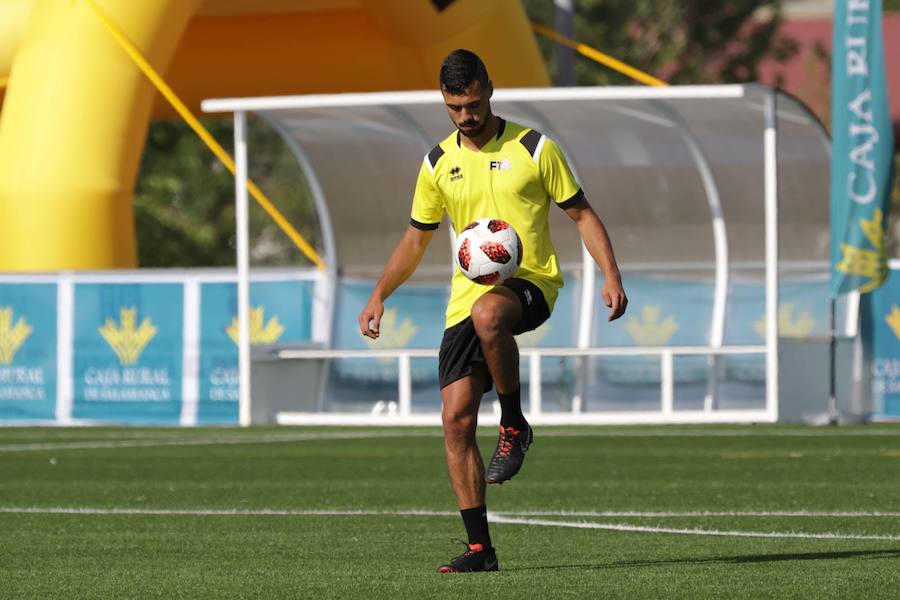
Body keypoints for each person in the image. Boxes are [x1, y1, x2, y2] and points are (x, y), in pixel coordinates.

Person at [358, 49, 627, 573]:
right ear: (445, 102)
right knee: (455, 420)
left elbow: (582, 215)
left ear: (490, 89)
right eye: (455, 107)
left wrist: (611, 275)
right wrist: (378, 294)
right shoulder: (438, 163)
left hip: (530, 284)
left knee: (489, 316)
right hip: (467, 298)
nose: (466, 116)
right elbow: (415, 241)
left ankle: (513, 423)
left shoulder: (534, 147)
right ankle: (480, 550)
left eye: (474, 103)